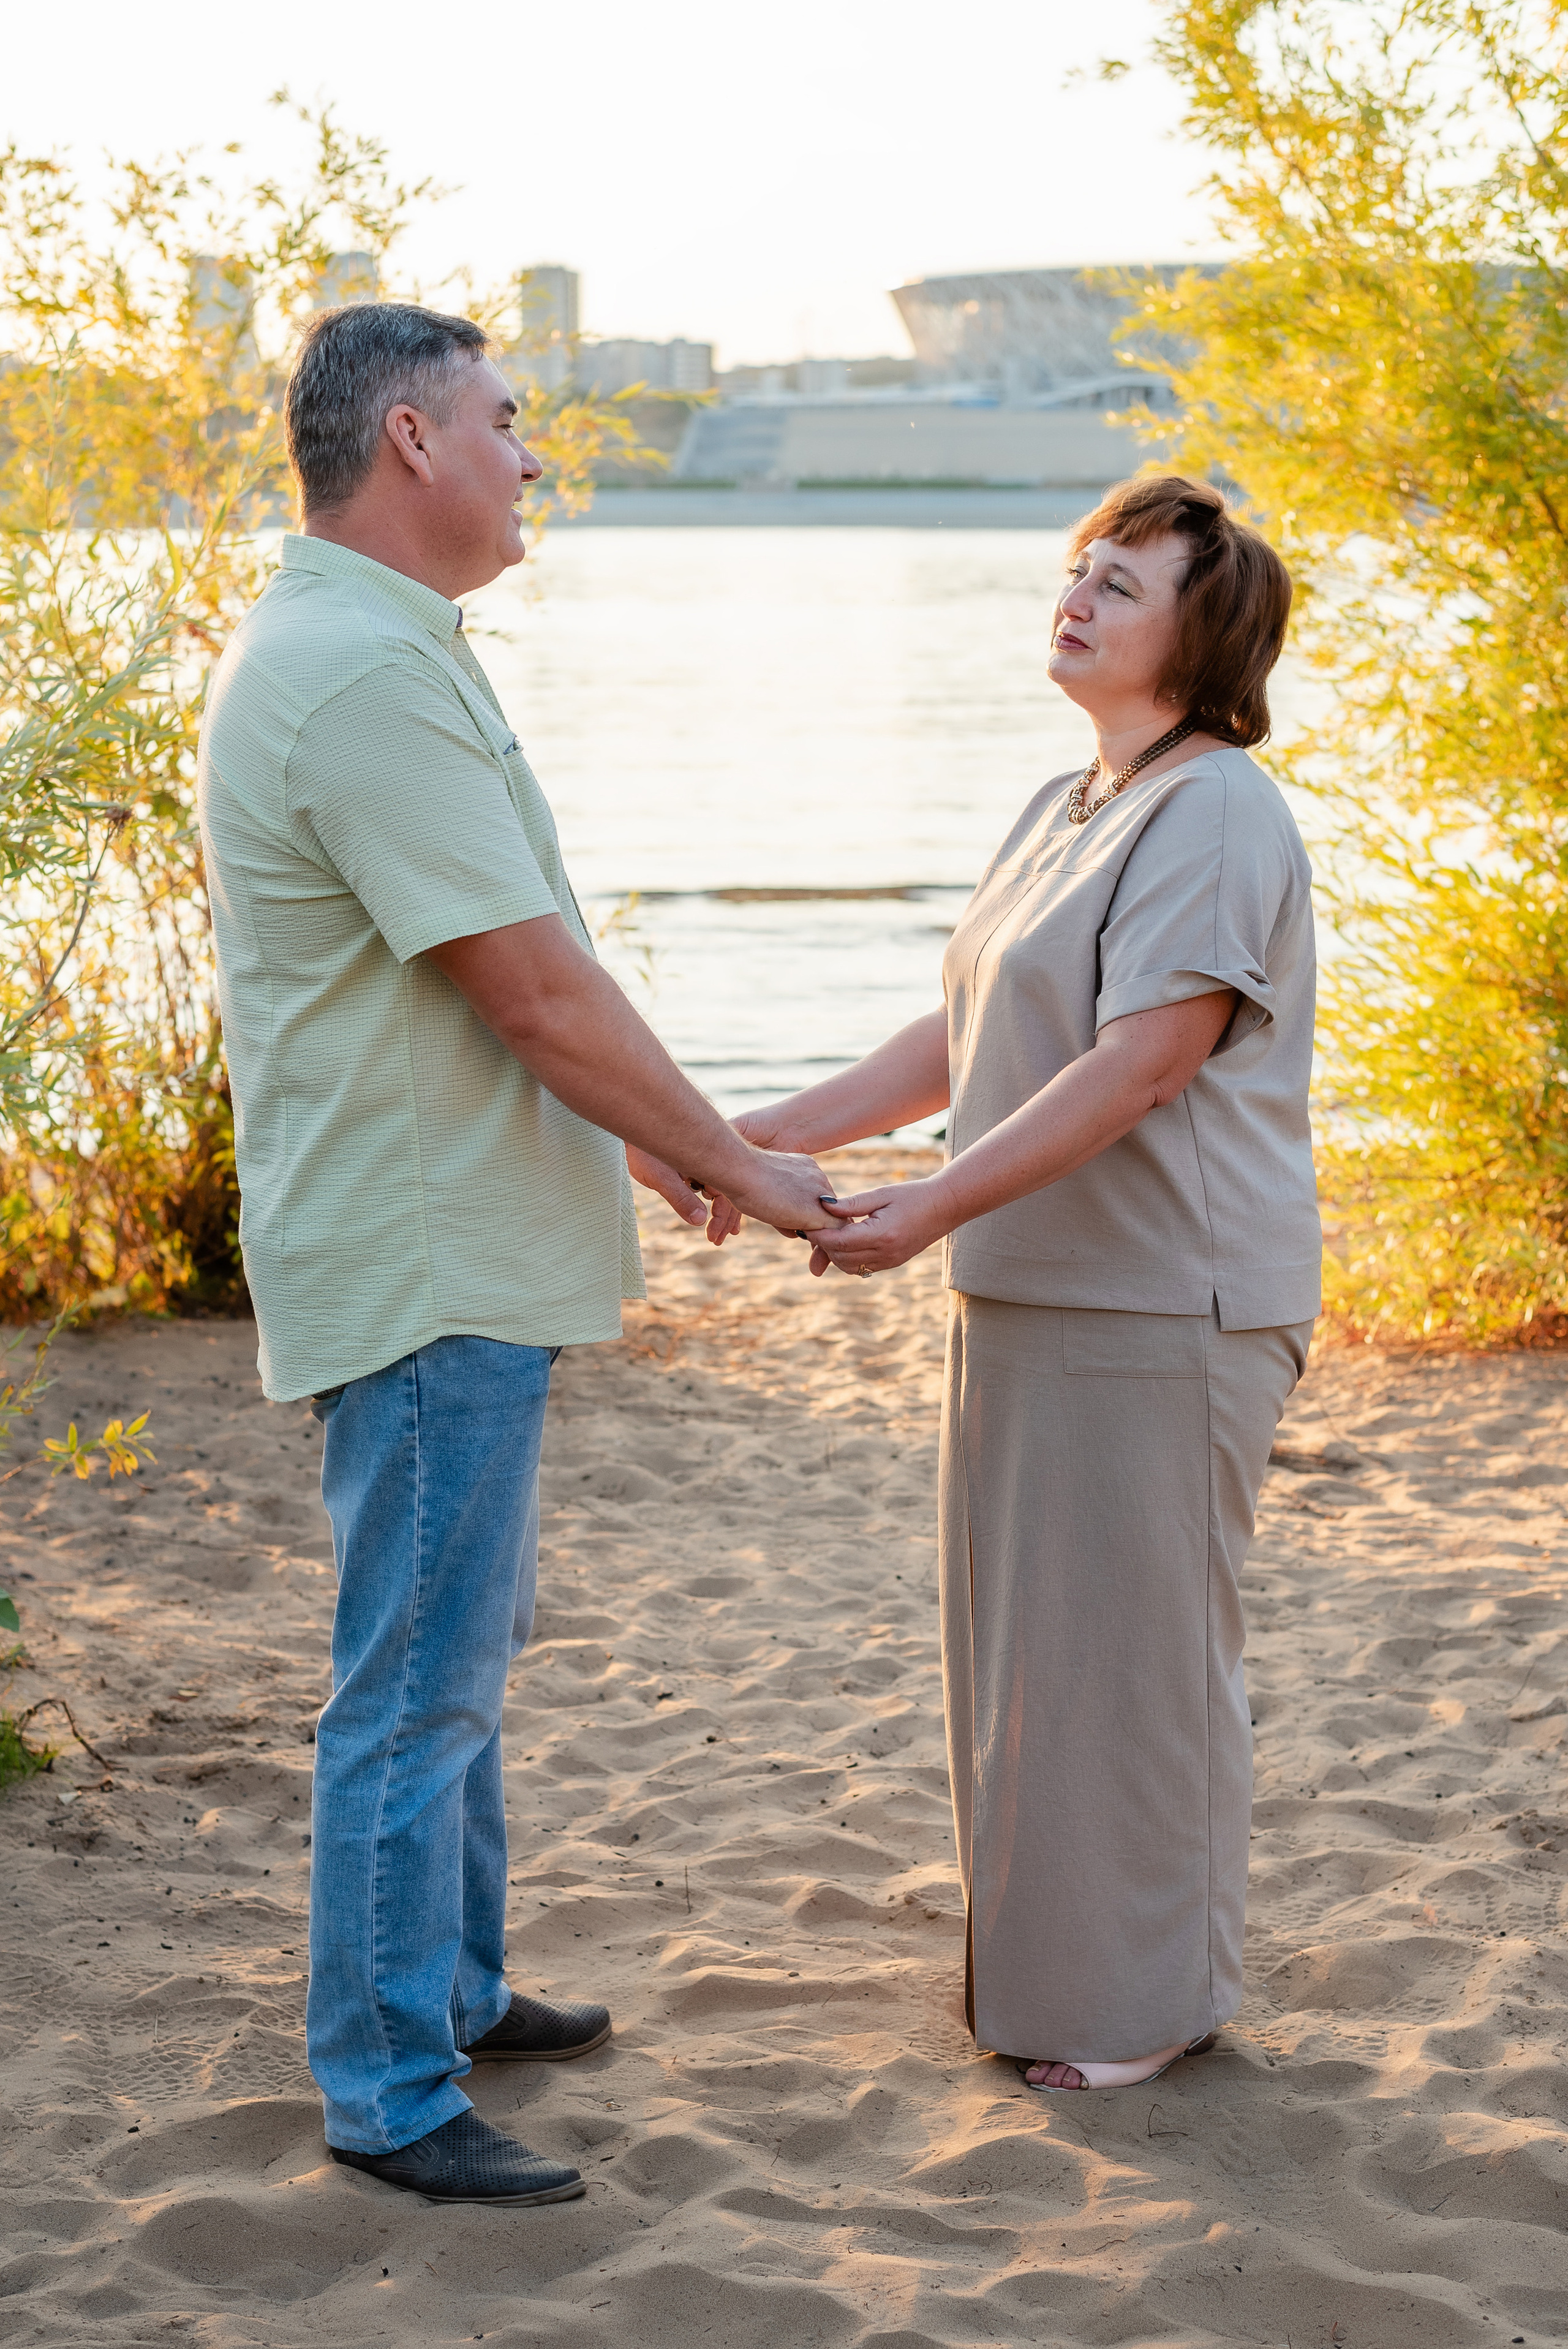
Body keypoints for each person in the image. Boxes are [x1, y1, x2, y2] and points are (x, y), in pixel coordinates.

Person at [197, 301, 832, 2204]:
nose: (531, 449)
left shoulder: (379, 646)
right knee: (418, 1683)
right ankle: (391, 2085)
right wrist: (728, 1155)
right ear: (410, 439)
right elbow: (535, 989)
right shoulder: (355, 674)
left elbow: (492, 979)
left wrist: (648, 1138)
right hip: (426, 1263)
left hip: (456, 1241)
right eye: (504, 414)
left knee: (458, 1658)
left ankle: (455, 1987)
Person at [712, 475, 1317, 2092]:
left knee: (1132, 1667)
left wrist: (922, 1208)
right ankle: (1068, 1985)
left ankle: (1142, 2008)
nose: (1078, 598)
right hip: (1035, 1294)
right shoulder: (1068, 800)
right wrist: (758, 1134)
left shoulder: (1218, 809)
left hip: (1162, 1303)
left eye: (1121, 585)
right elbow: (966, 1032)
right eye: (1078, 570)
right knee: (1034, 1664)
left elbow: (1143, 1063)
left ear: (1204, 634)